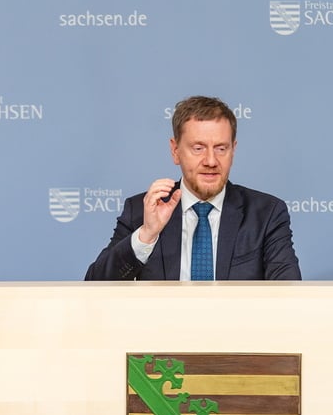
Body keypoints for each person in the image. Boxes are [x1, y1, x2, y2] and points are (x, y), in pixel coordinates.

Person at [85, 96, 301, 281]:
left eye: (221, 148)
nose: (210, 160)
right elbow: (95, 287)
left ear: (233, 150)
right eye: (198, 148)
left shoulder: (266, 214)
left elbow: (288, 293)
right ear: (175, 150)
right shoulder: (141, 211)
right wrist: (147, 234)